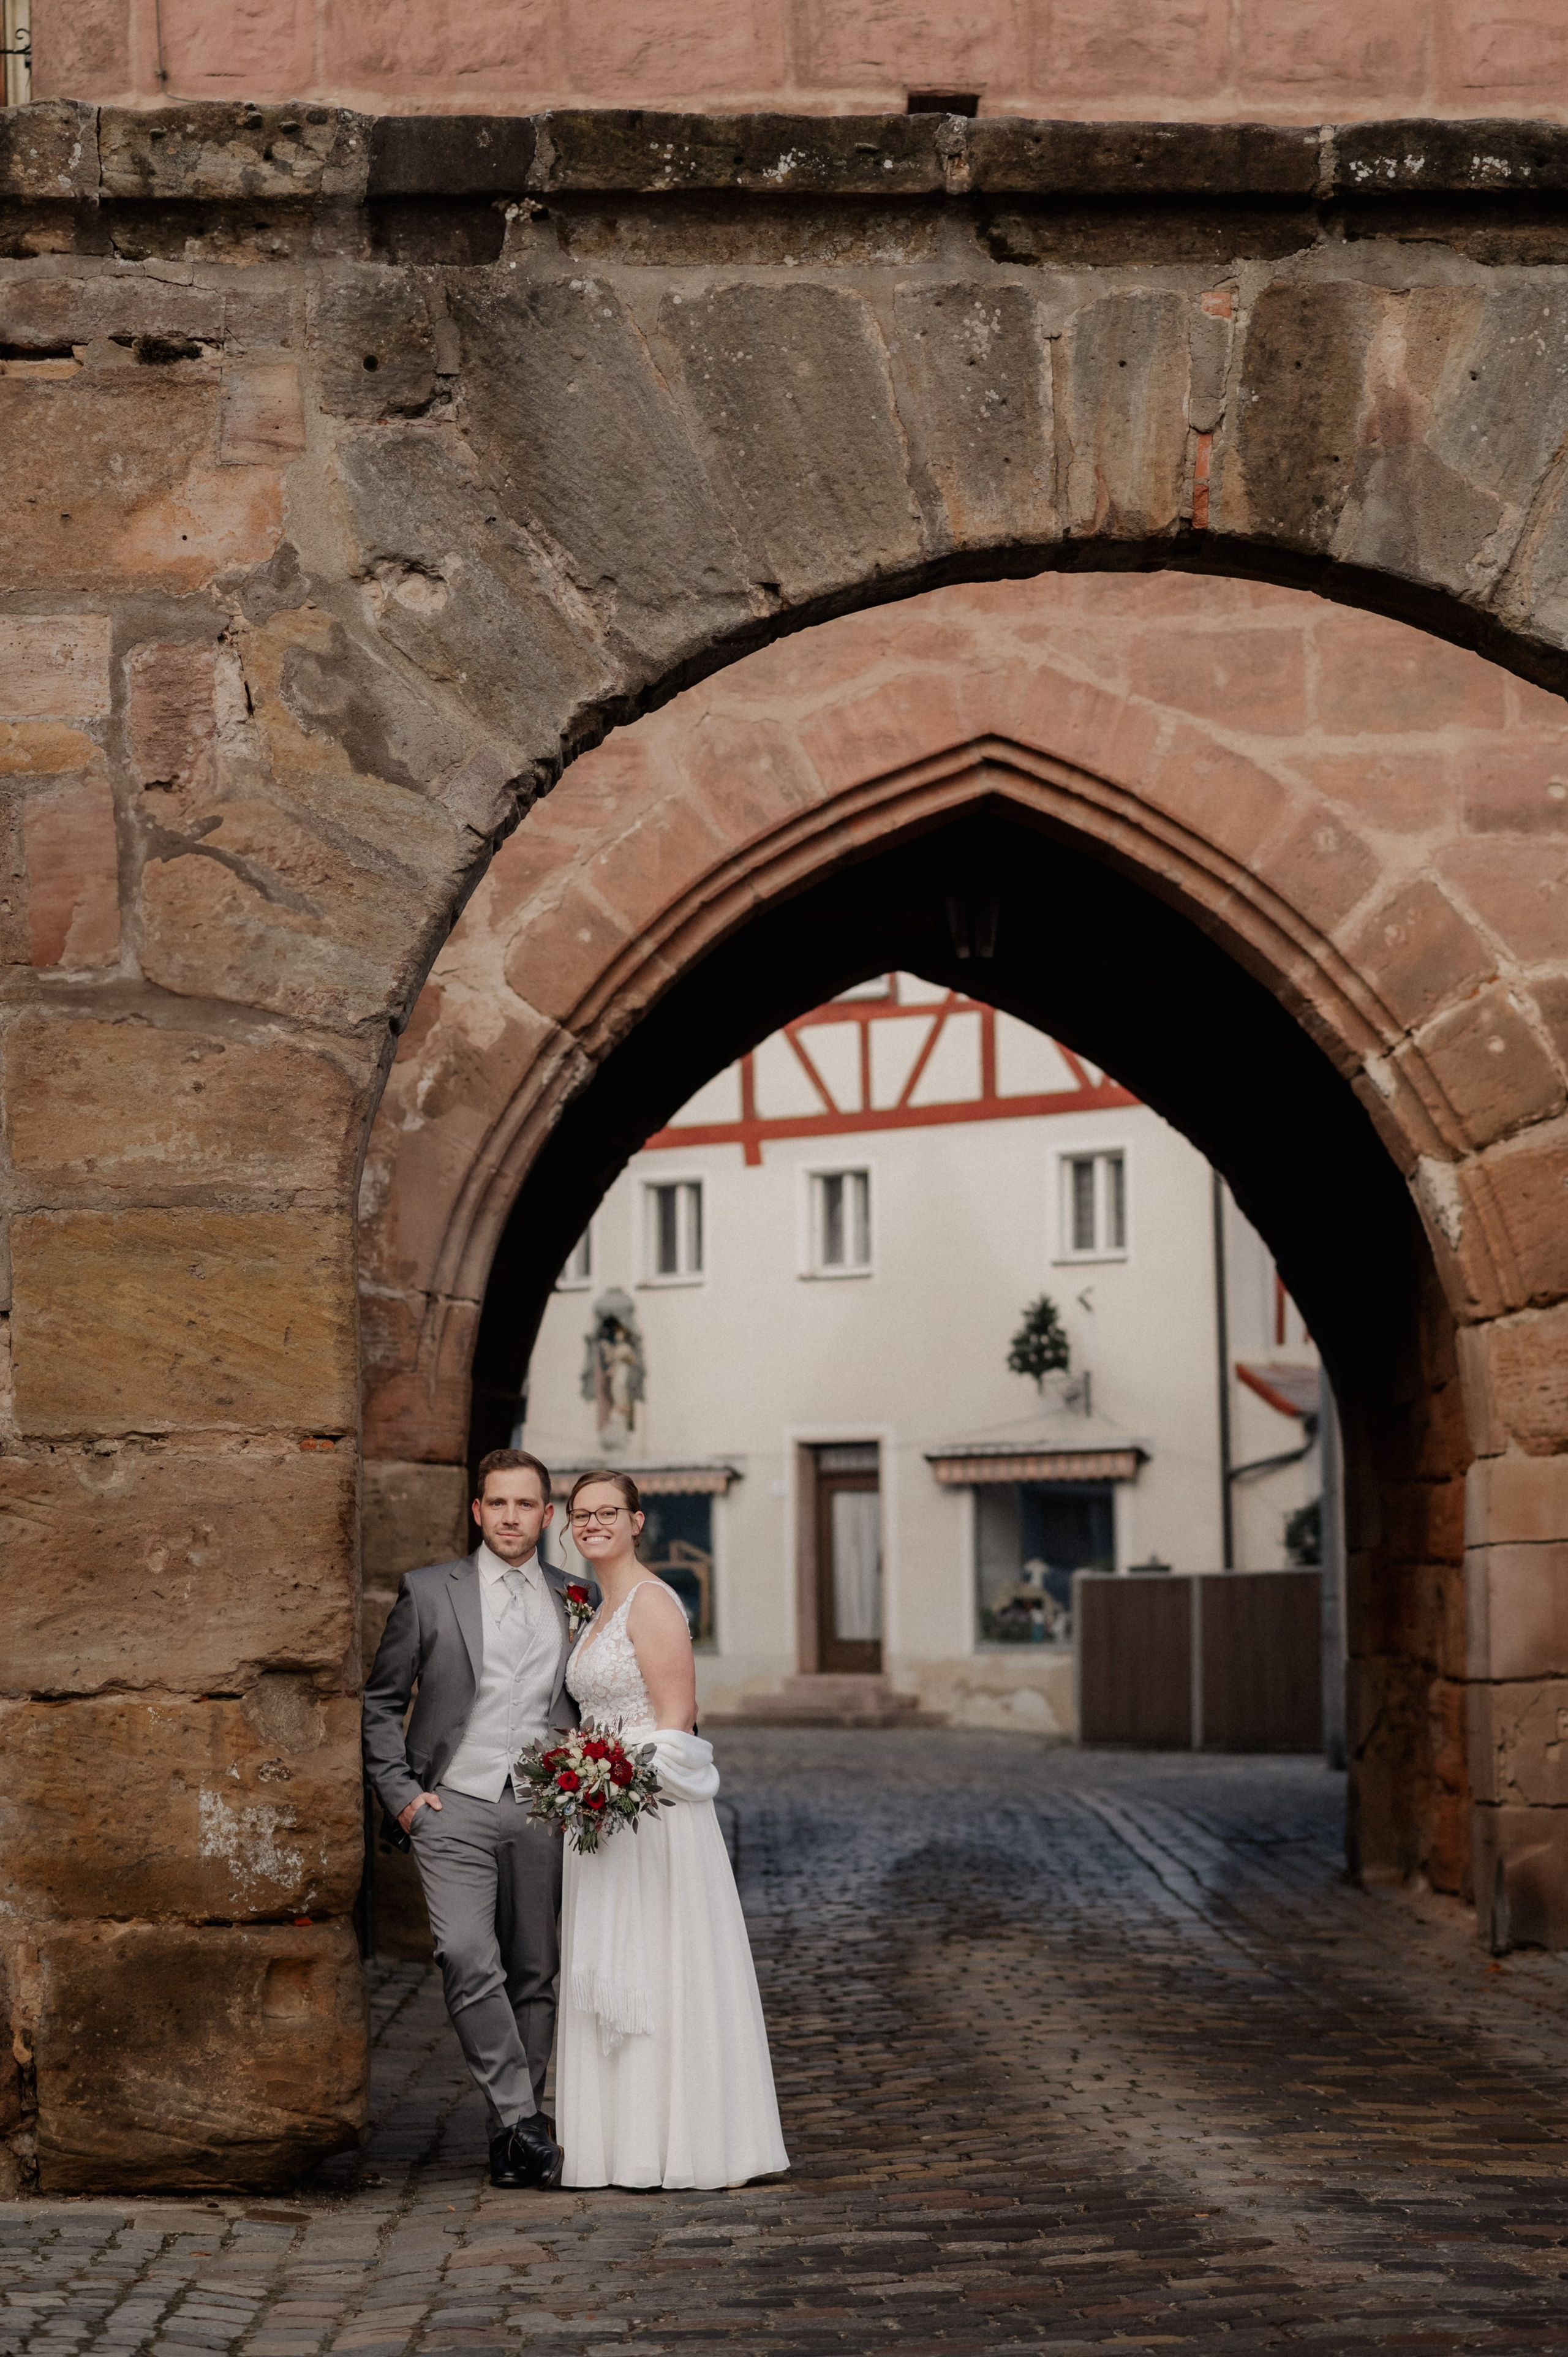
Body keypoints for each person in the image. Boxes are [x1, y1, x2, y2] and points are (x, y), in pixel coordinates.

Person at [362, 1448, 591, 2192]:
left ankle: (507, 2139)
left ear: (546, 1515)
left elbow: (596, 1701)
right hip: (451, 1802)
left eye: (525, 1505)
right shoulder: (429, 1592)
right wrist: (401, 1791)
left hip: (540, 1806)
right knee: (465, 1953)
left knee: (534, 1971)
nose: (511, 1517)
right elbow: (382, 1699)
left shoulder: (579, 1597)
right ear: (477, 1510)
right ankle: (527, 2118)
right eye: (498, 1503)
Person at [556, 1470, 789, 2189]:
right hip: (601, 1817)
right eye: (580, 1514)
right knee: (608, 1973)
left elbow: (677, 1726)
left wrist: (610, 1772)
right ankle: (617, 2144)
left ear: (636, 1520)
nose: (593, 1523)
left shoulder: (652, 1603)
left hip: (650, 1815)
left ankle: (681, 2141)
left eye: (607, 1512)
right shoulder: (595, 1609)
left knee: (659, 1966)